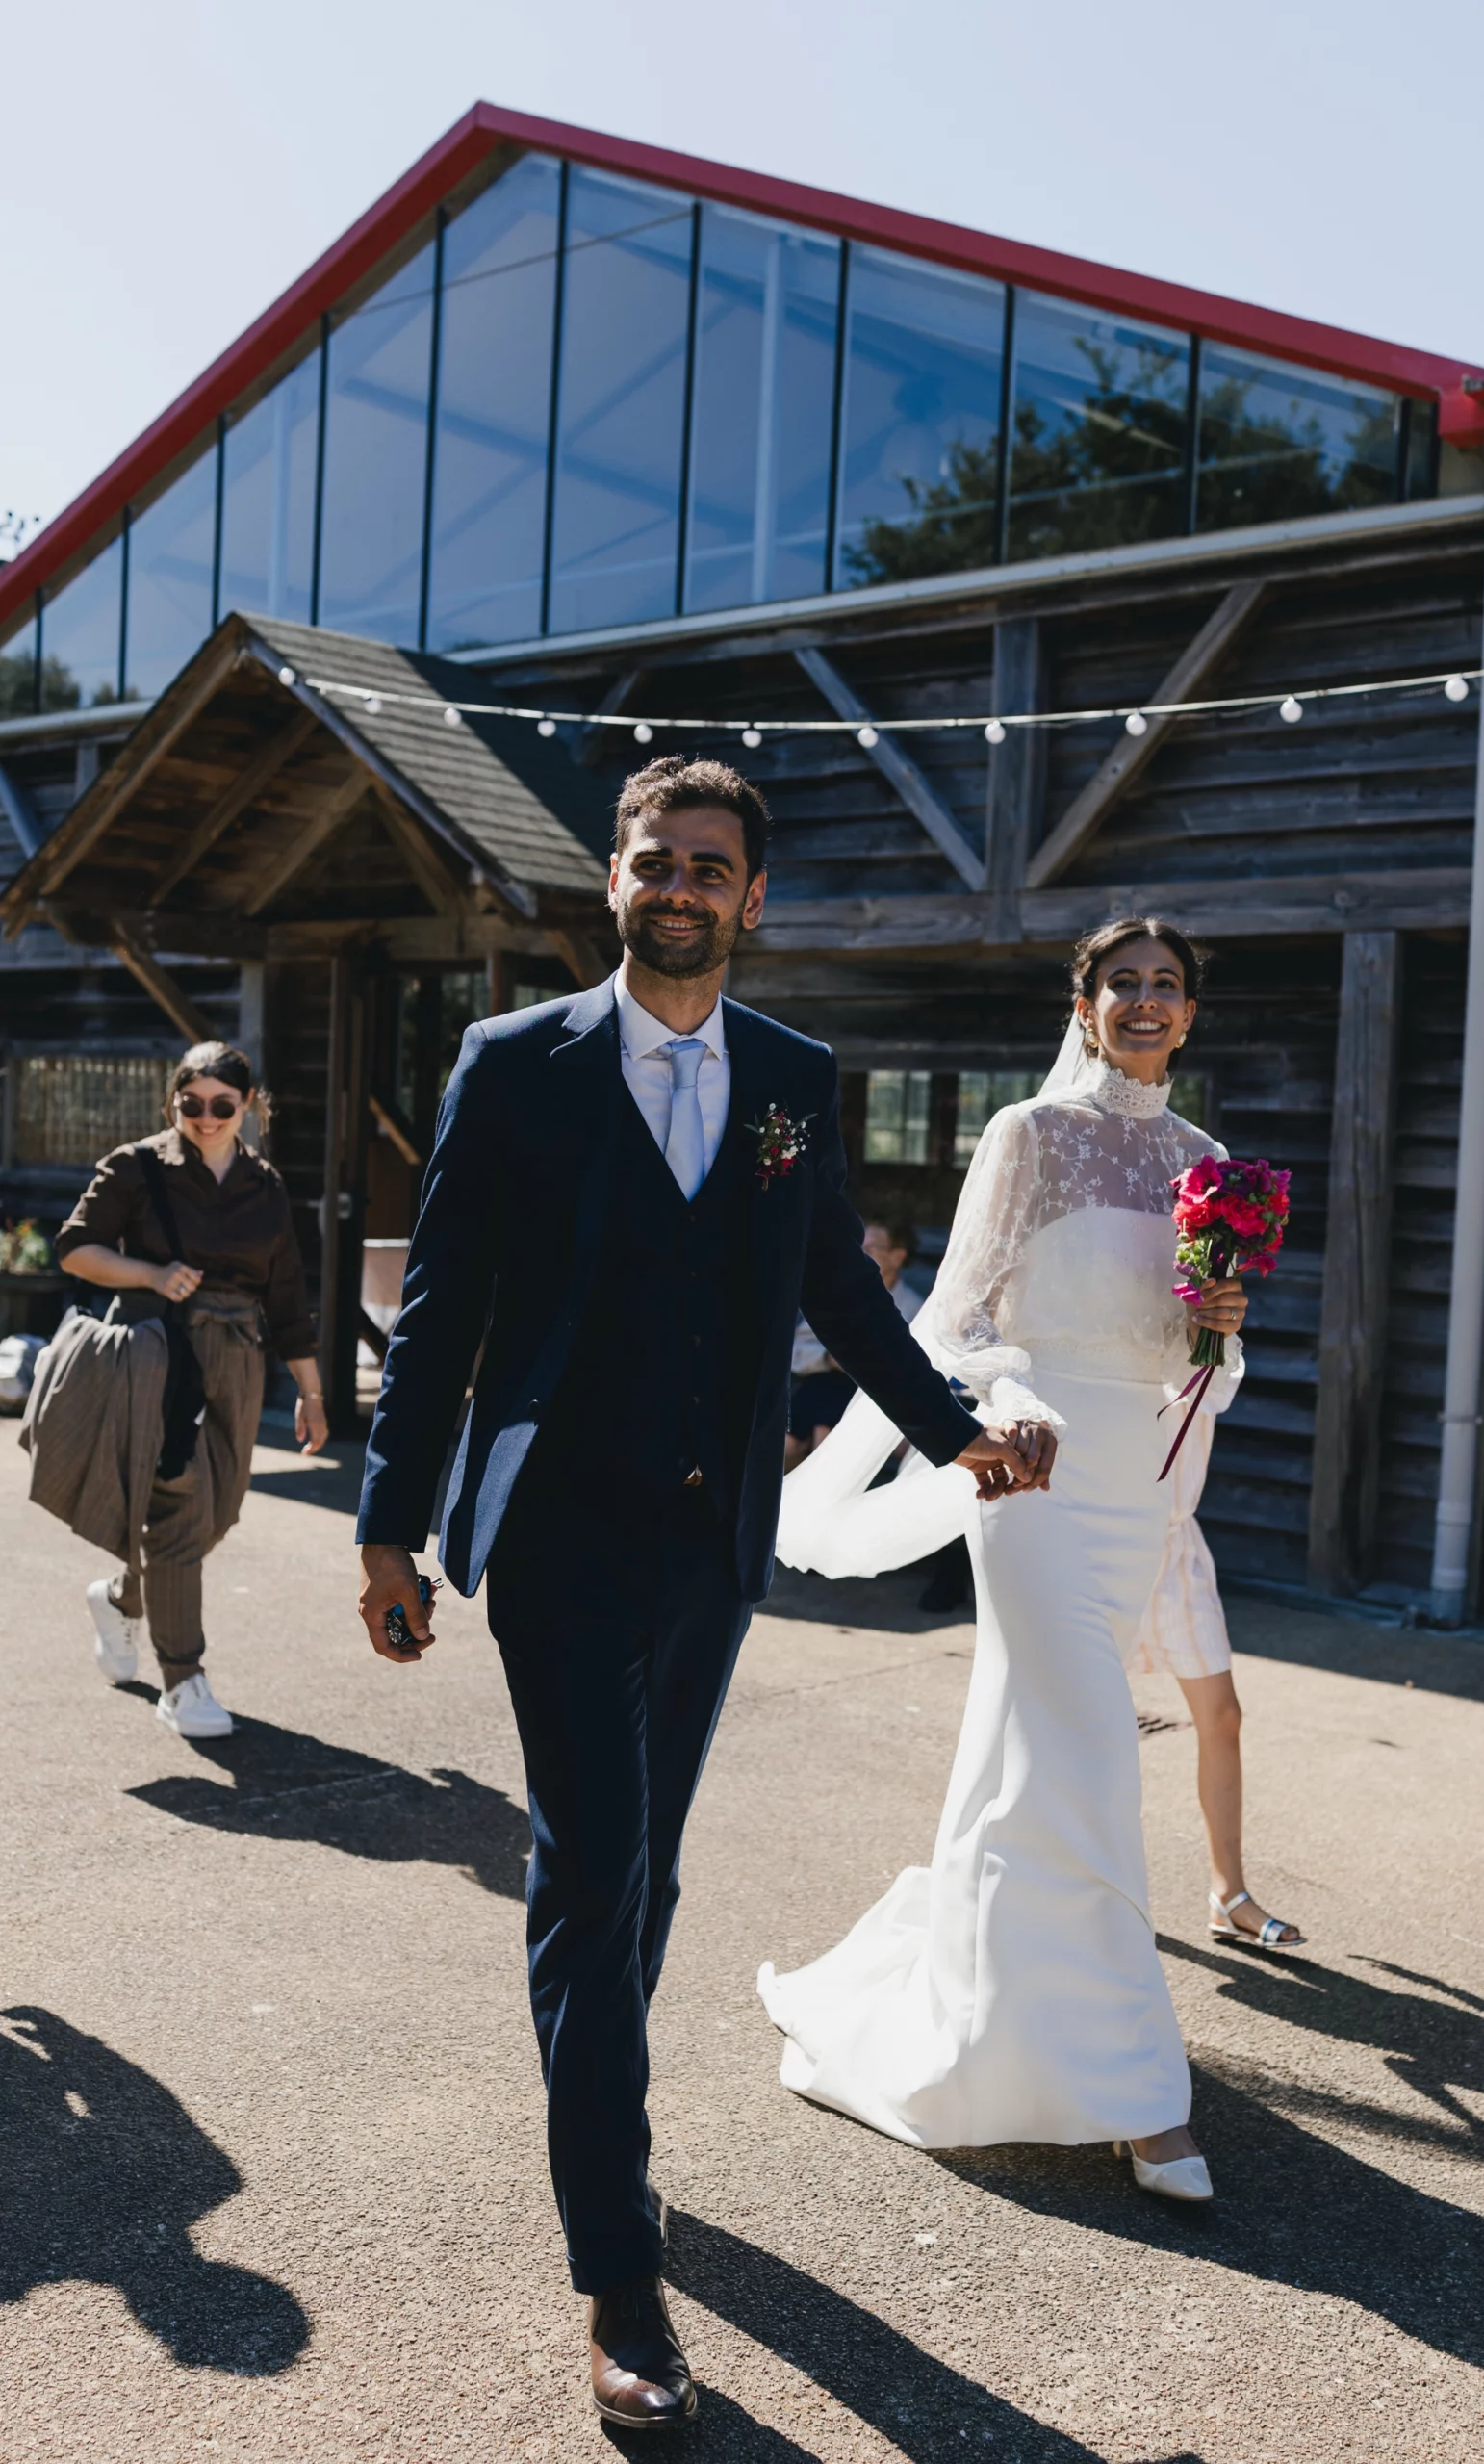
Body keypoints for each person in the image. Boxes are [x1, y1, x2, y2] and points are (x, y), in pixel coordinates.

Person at [351, 756, 1048, 2433]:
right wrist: (387, 1524)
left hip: (709, 1549)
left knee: (636, 1874)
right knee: (598, 1877)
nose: (679, 886)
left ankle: (595, 2093)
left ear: (754, 898)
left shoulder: (795, 1079)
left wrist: (955, 1437)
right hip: (558, 1543)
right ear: (612, 882)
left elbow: (845, 1303)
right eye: (654, 860)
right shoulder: (513, 1066)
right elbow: (440, 1308)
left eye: (709, 866)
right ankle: (619, 2273)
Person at [763, 918, 1245, 2204]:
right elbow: (958, 1321)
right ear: (1081, 1003)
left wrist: (1217, 1329)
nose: (1142, 1003)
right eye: (1120, 984)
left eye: (1164, 987)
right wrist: (1002, 1399)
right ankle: (1143, 2097)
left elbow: (1200, 1372)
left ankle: (994, 2005)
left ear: (1187, 1014)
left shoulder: (1206, 1164)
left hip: (1138, 1483)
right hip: (1029, 1472)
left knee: (1026, 1762)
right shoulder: (1024, 1137)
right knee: (1091, 1743)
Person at [51, 1041, 327, 1737]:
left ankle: (120, 1598)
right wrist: (148, 1273)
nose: (206, 1118)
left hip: (240, 1356)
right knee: (179, 1509)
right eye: (191, 1104)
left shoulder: (265, 1185)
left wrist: (311, 1391)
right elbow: (74, 1247)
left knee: (220, 1514)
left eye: (222, 1106)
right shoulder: (138, 1167)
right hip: (162, 1353)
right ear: (173, 1101)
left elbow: (288, 1294)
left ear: (249, 1106)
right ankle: (185, 1678)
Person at [1128, 1407, 1304, 1951]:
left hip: (1177, 1541)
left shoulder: (1208, 1321)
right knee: (1091, 1721)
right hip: (1101, 1540)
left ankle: (1228, 1896)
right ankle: (1099, 1893)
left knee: (1223, 1716)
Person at [786, 1219, 920, 1468]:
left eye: (871, 1249)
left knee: (824, 1434)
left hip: (872, 1397)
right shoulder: (838, 1294)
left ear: (897, 1256)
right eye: (858, 1247)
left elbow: (913, 1367)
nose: (859, 1255)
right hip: (822, 1383)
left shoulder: (913, 1307)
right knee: (786, 1445)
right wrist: (826, 1359)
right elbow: (796, 1351)